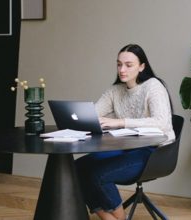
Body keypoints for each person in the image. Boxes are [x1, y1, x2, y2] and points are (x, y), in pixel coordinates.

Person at [75, 44, 175, 220]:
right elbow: (93, 114)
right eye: (119, 64)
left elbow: (162, 123)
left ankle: (118, 218)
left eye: (128, 65)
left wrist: (119, 122)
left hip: (154, 152)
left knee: (98, 174)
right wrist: (77, 117)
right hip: (126, 148)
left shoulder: (153, 86)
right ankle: (108, 217)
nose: (122, 69)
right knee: (77, 168)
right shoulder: (115, 90)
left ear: (141, 66)